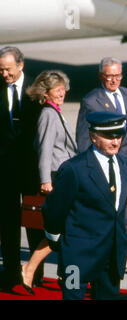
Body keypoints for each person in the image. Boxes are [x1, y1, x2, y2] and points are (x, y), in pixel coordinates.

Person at [75, 57, 127, 275]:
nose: (114, 80)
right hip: (108, 166)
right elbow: (84, 139)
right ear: (101, 76)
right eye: (109, 76)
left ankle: (126, 258)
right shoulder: (91, 101)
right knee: (120, 214)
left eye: (118, 75)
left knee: (124, 212)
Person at [43, 112, 127, 300]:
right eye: (109, 137)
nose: (116, 142)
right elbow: (54, 209)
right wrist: (57, 240)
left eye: (118, 136)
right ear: (93, 137)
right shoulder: (74, 169)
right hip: (77, 257)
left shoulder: (124, 163)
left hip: (112, 256)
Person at [19, 70, 77, 295]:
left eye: (64, 88)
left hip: (62, 177)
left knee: (63, 229)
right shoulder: (48, 114)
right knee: (59, 229)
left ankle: (35, 269)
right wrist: (45, 180)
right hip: (54, 178)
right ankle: (31, 268)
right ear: (47, 92)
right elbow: (44, 149)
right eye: (57, 89)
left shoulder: (55, 112)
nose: (63, 92)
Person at [0, 46, 41, 291]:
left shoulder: (36, 90)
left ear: (21, 65)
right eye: (1, 70)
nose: (5, 75)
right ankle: (13, 272)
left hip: (31, 168)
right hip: (4, 169)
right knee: (8, 222)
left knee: (35, 220)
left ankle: (34, 273)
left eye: (8, 70)